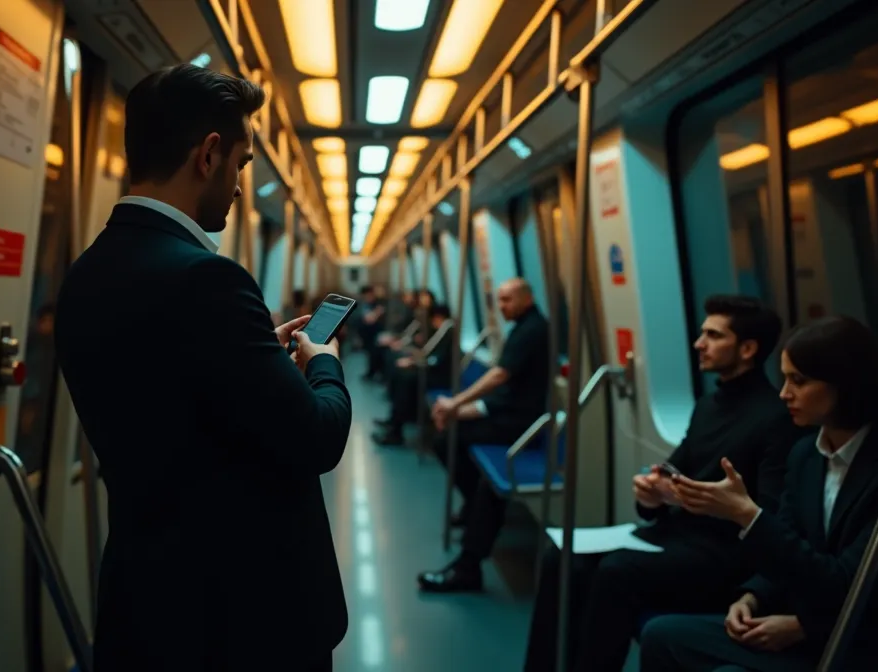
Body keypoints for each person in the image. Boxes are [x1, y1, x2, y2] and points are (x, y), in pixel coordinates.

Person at [54, 64, 351, 671]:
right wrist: (323, 364)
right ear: (210, 155)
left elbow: (170, 391)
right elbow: (316, 437)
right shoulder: (208, 278)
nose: (242, 186)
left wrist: (254, 352)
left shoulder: (85, 272)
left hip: (147, 602)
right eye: (242, 164)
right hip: (241, 616)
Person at [639, 316, 878, 671]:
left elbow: (854, 585)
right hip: (807, 624)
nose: (784, 393)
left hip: (865, 644)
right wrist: (752, 598)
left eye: (798, 381)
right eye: (784, 379)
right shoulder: (806, 456)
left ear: (846, 385)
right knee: (660, 634)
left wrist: (747, 515)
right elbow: (789, 546)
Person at [518, 295, 797, 670]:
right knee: (562, 557)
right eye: (702, 334)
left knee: (616, 572)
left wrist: (692, 500)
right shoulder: (708, 405)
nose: (699, 344)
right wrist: (651, 494)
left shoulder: (774, 419)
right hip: (676, 536)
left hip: (724, 554)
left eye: (713, 336)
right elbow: (672, 471)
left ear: (747, 349)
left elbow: (771, 516)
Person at [417, 277, 550, 591]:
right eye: (499, 301)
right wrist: (458, 410)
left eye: (508, 300)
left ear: (526, 299)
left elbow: (500, 376)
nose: (502, 307)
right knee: (447, 438)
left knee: (474, 467)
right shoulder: (524, 327)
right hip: (506, 414)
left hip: (519, 427)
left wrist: (456, 403)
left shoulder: (532, 330)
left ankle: (468, 566)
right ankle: (472, 508)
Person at [372, 304, 455, 445]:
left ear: (438, 317)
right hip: (434, 371)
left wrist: (414, 362)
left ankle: (396, 431)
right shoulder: (443, 329)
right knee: (401, 372)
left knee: (406, 378)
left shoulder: (449, 331)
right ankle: (395, 420)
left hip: (442, 376)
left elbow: (436, 359)